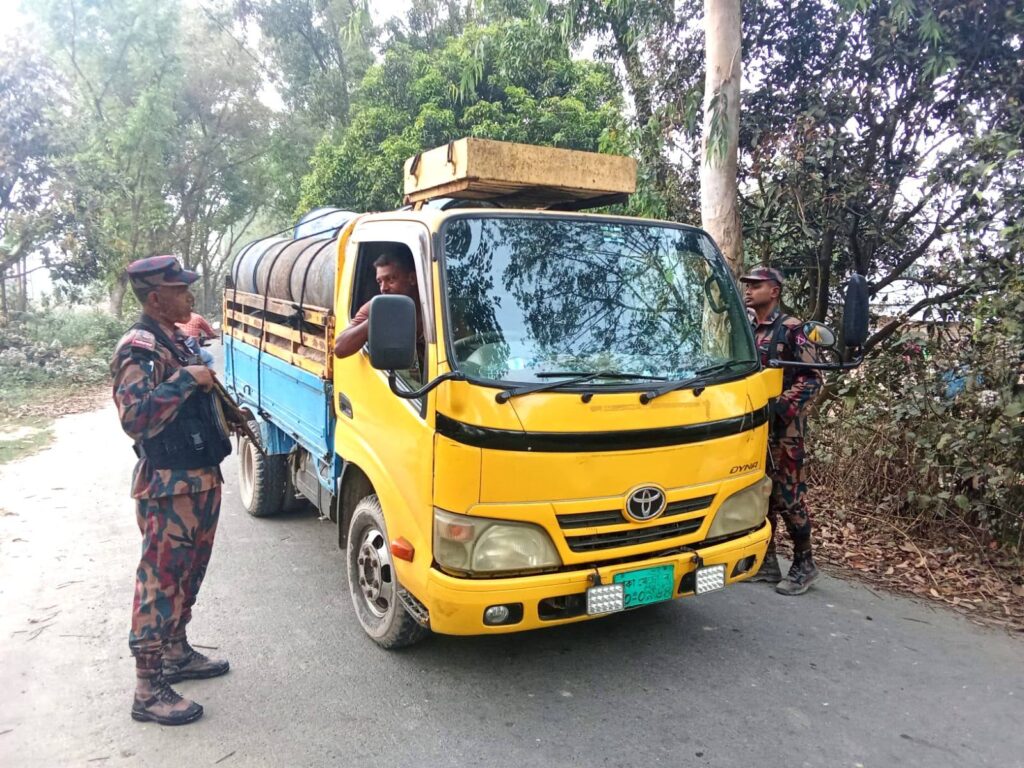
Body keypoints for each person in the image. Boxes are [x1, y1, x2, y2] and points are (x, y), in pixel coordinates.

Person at [110, 255, 233, 725]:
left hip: (200, 478)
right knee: (159, 583)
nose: (189, 296)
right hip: (168, 487)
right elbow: (134, 417)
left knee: (189, 575)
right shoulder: (138, 348)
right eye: (180, 290)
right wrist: (185, 379)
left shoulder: (177, 339)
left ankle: (176, 652)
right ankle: (147, 687)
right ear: (156, 299)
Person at [740, 266, 823, 596]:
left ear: (774, 291)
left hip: (784, 431)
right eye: (746, 285)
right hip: (752, 428)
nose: (748, 290)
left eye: (756, 285)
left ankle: (805, 563)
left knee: (788, 496)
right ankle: (766, 560)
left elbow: (812, 377)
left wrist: (783, 406)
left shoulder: (793, 329)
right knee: (760, 495)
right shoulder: (746, 328)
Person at [334, 248, 423, 376]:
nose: (383, 288)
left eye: (391, 280)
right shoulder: (375, 308)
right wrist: (376, 320)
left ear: (412, 278)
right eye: (379, 282)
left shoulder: (431, 306)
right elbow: (340, 348)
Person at [176, 292, 216, 367]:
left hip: (178, 357)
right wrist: (213, 335)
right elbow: (210, 332)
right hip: (191, 357)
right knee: (210, 358)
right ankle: (207, 377)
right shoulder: (197, 317)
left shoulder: (173, 319)